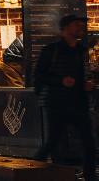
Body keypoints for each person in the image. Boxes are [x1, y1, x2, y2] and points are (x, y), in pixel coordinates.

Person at [33, 15, 96, 181]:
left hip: (78, 104)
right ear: (66, 27)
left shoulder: (81, 51)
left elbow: (81, 76)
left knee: (89, 142)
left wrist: (86, 84)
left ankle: (90, 176)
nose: (80, 27)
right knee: (52, 143)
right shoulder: (52, 50)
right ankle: (27, 171)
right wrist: (60, 81)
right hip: (57, 104)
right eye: (76, 24)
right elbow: (38, 76)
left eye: (81, 24)